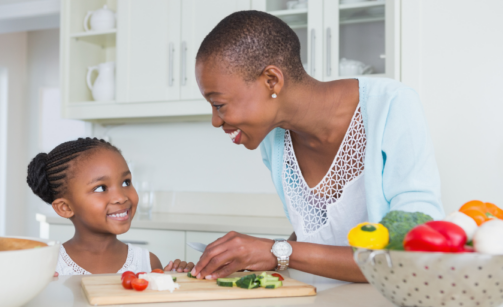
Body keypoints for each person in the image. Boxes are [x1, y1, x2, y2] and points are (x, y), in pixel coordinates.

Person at [191, 11, 444, 282]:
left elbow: (414, 251)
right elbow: (317, 232)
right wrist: (256, 259)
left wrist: (276, 251)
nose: (216, 121)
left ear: (271, 81)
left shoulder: (392, 106)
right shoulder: (274, 140)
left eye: (219, 105)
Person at [27, 137, 194, 275]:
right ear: (65, 207)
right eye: (101, 188)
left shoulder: (147, 262)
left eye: (125, 182)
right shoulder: (47, 266)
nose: (121, 197)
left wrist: (173, 281)